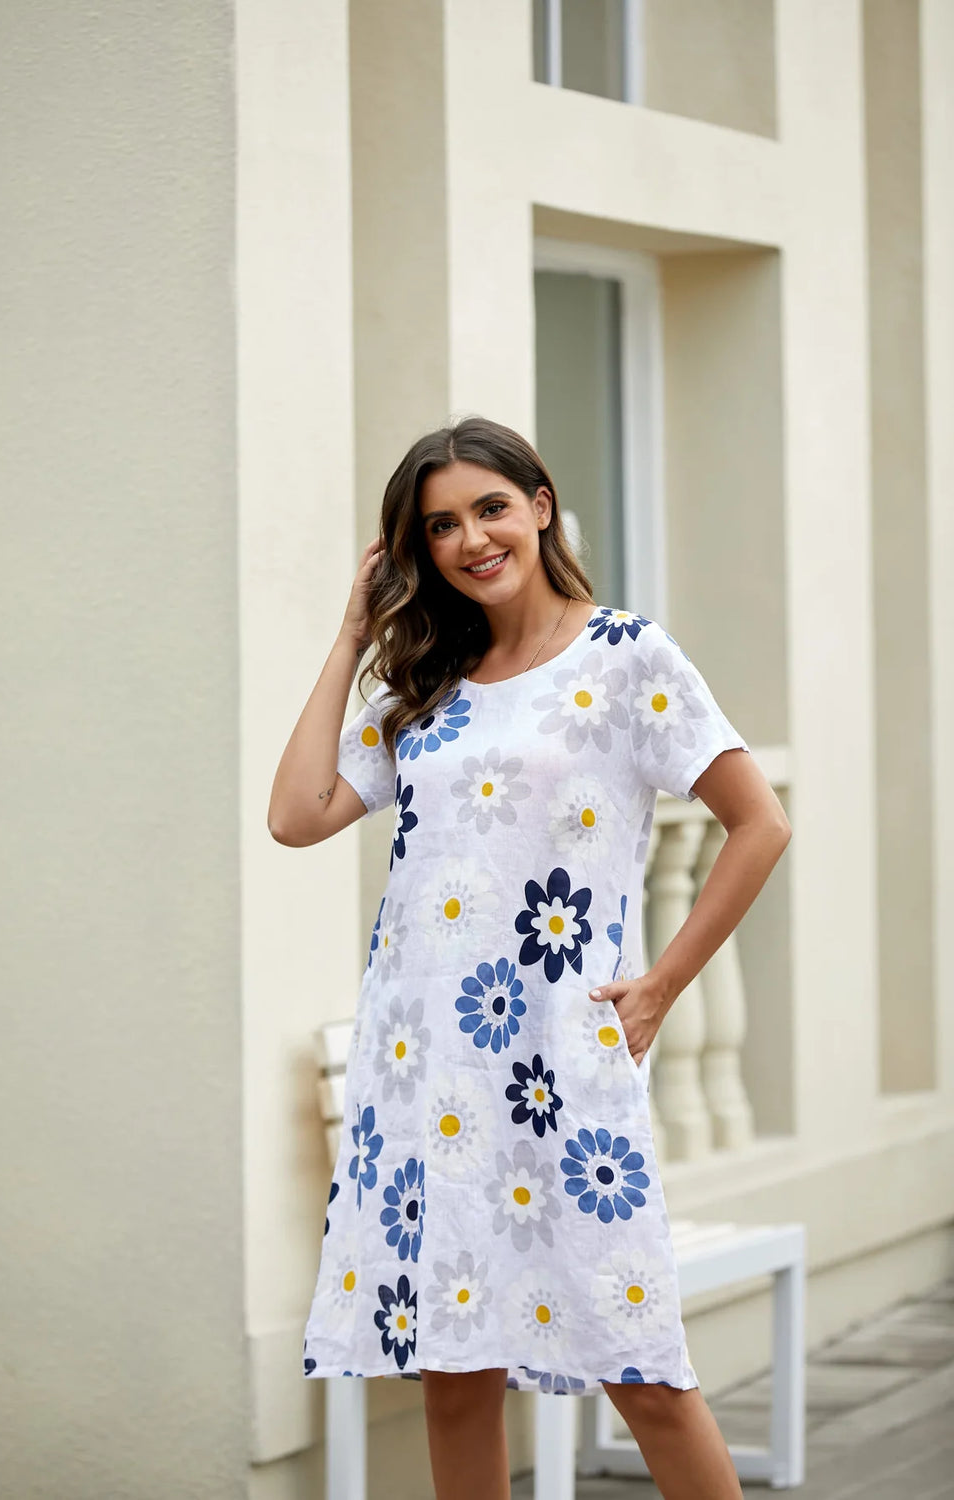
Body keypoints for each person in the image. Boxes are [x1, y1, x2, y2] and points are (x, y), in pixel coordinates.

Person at [268, 415, 791, 1500]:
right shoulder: (428, 682)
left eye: (491, 509)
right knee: (454, 1374)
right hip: (423, 1071)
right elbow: (296, 814)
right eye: (441, 525)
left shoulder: (626, 656)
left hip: (558, 1062)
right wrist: (351, 636)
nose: (471, 539)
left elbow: (760, 823)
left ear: (540, 506)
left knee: (642, 1365)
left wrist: (661, 986)